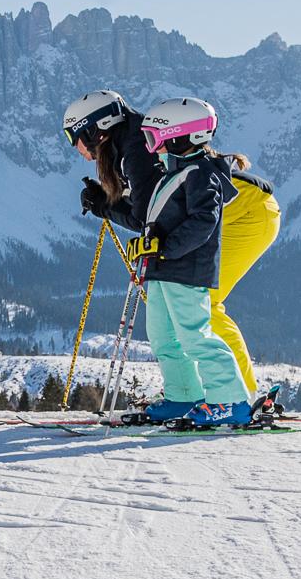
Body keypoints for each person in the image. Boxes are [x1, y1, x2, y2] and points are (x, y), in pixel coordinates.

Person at [63, 89, 281, 402]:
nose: (78, 150)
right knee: (177, 311)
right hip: (235, 210)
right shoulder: (133, 143)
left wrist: (105, 206)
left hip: (246, 213)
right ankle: (191, 394)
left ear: (96, 130)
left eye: (76, 138)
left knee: (203, 305)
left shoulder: (137, 148)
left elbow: (148, 217)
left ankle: (239, 399)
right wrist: (109, 201)